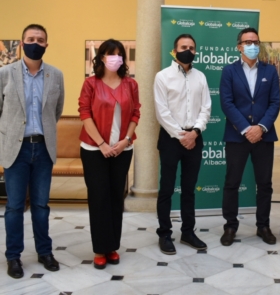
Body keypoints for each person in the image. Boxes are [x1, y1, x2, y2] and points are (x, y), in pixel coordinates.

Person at [0, 24, 64, 279]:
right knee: (15, 207)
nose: (35, 42)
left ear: (47, 44)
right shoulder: (5, 74)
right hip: (16, 149)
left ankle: (44, 252)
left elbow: (57, 110)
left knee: (41, 205)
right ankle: (13, 257)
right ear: (22, 42)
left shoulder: (56, 75)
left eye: (40, 39)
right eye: (30, 38)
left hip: (43, 148)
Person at [78, 39, 141, 269]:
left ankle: (112, 246)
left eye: (119, 54)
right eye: (110, 54)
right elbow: (84, 114)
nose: (115, 58)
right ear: (102, 57)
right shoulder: (91, 84)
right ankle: (99, 249)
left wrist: (125, 141)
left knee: (116, 197)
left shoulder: (130, 84)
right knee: (99, 198)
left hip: (122, 150)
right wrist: (102, 143)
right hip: (95, 150)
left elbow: (136, 114)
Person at [220, 27, 280, 246]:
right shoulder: (229, 71)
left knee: (264, 184)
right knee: (231, 183)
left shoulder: (270, 71)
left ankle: (263, 226)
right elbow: (226, 103)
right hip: (237, 137)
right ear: (239, 46)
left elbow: (275, 103)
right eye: (247, 42)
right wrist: (247, 128)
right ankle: (230, 226)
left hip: (264, 137)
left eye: (255, 42)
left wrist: (261, 127)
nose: (252, 46)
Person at [154, 34, 211, 255]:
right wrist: (181, 136)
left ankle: (188, 231)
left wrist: (194, 132)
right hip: (170, 139)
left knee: (189, 189)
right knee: (167, 189)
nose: (188, 50)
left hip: (194, 138)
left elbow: (206, 107)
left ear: (195, 51)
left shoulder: (201, 77)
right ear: (174, 50)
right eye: (183, 47)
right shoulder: (162, 76)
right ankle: (165, 234)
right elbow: (162, 112)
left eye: (192, 47)